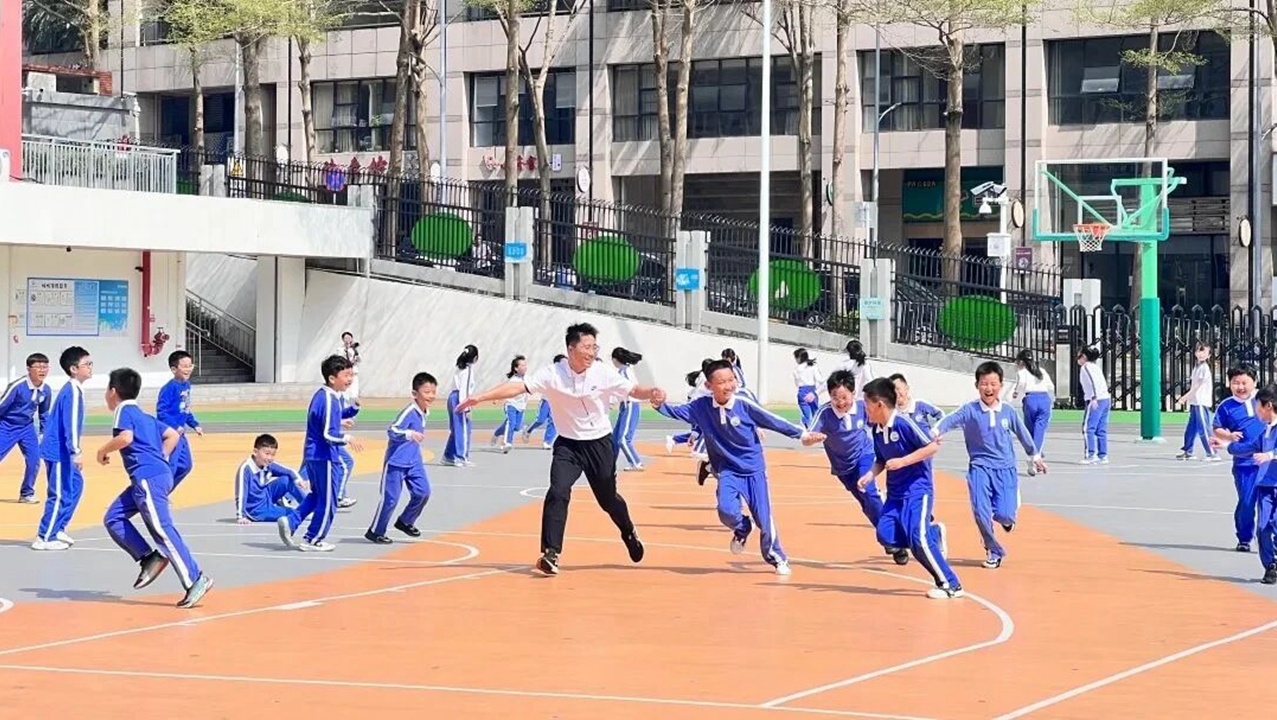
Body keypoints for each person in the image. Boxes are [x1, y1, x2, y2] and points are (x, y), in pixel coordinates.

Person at [458, 323, 657, 576]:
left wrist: (652, 392)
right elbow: (518, 386)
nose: (592, 352)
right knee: (558, 491)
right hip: (568, 446)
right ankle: (550, 553)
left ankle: (628, 531)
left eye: (594, 347)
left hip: (599, 444)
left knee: (608, 500)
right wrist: (480, 397)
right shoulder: (552, 373)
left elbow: (633, 390)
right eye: (587, 347)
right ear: (571, 349)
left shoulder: (603, 372)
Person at [655, 359, 824, 575]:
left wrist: (803, 435)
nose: (729, 385)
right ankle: (743, 527)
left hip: (753, 470)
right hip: (727, 469)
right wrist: (659, 404)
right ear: (708, 386)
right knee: (726, 511)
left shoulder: (744, 403)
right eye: (722, 382)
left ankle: (777, 558)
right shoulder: (701, 407)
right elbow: (676, 411)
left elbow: (773, 420)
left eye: (731, 379)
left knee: (764, 519)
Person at [98, 367, 213, 608]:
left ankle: (195, 579)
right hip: (153, 477)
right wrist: (161, 458)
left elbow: (126, 438)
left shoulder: (124, 411)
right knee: (113, 517)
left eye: (107, 390)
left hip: (148, 479)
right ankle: (149, 558)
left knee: (162, 529)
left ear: (113, 391)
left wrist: (103, 451)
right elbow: (172, 435)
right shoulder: (145, 417)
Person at [933, 361, 1047, 569]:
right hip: (979, 467)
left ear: (1000, 385)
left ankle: (1007, 516)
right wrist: (934, 432)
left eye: (993, 384)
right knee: (980, 511)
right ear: (977, 385)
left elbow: (1023, 434)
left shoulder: (1008, 411)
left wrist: (1035, 456)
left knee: (1005, 514)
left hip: (1005, 469)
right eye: (984, 383)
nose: (989, 388)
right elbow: (949, 420)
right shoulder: (970, 410)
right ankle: (993, 549)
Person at [857, 377, 964, 599]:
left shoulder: (904, 423)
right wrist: (870, 475)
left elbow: (932, 446)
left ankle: (951, 584)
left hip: (917, 490)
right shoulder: (876, 430)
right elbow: (881, 459)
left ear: (879, 404)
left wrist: (903, 461)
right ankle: (933, 533)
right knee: (885, 534)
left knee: (918, 540)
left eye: (867, 404)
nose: (864, 409)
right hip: (895, 494)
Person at [808, 370, 901, 563]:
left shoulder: (861, 407)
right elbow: (807, 436)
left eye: (844, 397)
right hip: (842, 468)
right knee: (866, 503)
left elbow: (880, 420)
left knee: (868, 492)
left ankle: (892, 539)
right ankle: (889, 533)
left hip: (864, 456)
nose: (840, 402)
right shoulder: (825, 414)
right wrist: (812, 439)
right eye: (835, 397)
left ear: (853, 393)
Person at [277, 354, 363, 552]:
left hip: (314, 455)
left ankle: (291, 521)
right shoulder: (329, 398)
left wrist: (354, 408)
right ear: (332, 378)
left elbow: (334, 416)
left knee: (317, 495)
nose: (350, 379)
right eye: (346, 375)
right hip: (324, 456)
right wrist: (347, 438)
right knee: (329, 500)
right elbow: (328, 434)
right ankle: (313, 538)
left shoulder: (324, 395)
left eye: (351, 375)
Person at [1211, 385, 1277, 584]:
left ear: (1269, 406)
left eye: (1258, 406)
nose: (1256, 411)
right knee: (1263, 527)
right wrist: (1226, 445)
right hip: (1266, 486)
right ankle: (1271, 566)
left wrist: (1270, 455)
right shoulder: (1265, 431)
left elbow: (1269, 452)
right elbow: (1249, 447)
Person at [33, 346, 92, 551]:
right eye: (87, 364)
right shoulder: (72, 391)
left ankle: (58, 527)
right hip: (58, 452)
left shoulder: (75, 390)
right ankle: (45, 536)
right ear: (74, 369)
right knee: (58, 493)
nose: (90, 367)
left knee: (75, 485)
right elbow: (71, 424)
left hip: (62, 451)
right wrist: (76, 451)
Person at [366, 372, 437, 543]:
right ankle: (375, 531)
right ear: (415, 394)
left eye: (434, 392)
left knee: (423, 492)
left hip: (414, 461)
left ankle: (405, 521)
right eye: (427, 392)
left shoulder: (424, 411)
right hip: (396, 462)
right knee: (390, 499)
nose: (431, 396)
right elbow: (392, 430)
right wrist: (409, 433)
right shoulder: (409, 411)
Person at [1213, 366, 1265, 552]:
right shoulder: (1226, 406)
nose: (1240, 387)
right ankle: (1244, 538)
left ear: (1254, 382)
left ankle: (1269, 540)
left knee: (1269, 503)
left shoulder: (1265, 400)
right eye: (1236, 383)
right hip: (1245, 463)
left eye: (1244, 382)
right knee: (1247, 502)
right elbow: (1217, 428)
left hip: (1269, 462)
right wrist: (1228, 436)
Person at [0, 353, 51, 504]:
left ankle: (27, 493)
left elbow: (44, 412)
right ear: (29, 369)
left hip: (27, 428)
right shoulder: (17, 386)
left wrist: (44, 433)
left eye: (45, 367)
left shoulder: (46, 390)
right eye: (38, 367)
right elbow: (2, 405)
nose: (42, 370)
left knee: (34, 459)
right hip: (7, 426)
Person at [235, 434, 309, 525]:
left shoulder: (267, 464)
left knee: (286, 480)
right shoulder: (246, 469)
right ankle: (303, 511)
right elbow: (241, 494)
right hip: (258, 510)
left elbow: (289, 471)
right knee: (292, 512)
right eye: (267, 454)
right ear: (255, 452)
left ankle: (308, 506)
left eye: (273, 454)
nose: (270, 458)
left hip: (266, 496)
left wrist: (299, 480)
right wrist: (241, 516)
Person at [156, 350, 202, 486]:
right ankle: (159, 491)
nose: (188, 369)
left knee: (186, 465)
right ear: (174, 369)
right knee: (170, 466)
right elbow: (161, 412)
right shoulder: (169, 388)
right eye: (184, 366)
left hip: (180, 434)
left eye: (190, 366)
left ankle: (166, 491)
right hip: (170, 434)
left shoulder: (187, 385)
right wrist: (175, 426)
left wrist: (194, 424)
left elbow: (185, 408)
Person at [1009, 349, 1054, 475]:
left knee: (1030, 430)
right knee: (1040, 430)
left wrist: (1016, 393)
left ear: (1021, 362)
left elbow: (1021, 384)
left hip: (1030, 399)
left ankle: (1034, 457)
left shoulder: (1022, 372)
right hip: (1044, 399)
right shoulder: (1042, 371)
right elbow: (1051, 386)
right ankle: (1037, 454)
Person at [1176, 342, 1220, 462]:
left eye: (1204, 352)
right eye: (1199, 351)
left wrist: (1184, 397)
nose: (1201, 354)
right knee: (1191, 428)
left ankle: (1212, 453)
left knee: (1203, 428)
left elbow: (1197, 386)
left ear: (1209, 355)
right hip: (1195, 402)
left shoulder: (1204, 368)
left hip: (1201, 402)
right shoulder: (1197, 367)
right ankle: (1188, 451)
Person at [442, 345, 479, 467]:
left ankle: (448, 456)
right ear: (475, 358)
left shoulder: (459, 367)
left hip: (453, 397)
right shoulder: (467, 371)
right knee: (463, 429)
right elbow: (464, 389)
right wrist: (466, 407)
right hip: (460, 399)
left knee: (456, 429)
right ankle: (461, 457)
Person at [611, 347, 645, 471]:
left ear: (615, 359)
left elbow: (630, 389)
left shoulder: (624, 372)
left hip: (630, 405)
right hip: (625, 405)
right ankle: (609, 464)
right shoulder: (624, 370)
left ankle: (636, 462)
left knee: (623, 439)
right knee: (615, 438)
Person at [522, 354, 563, 449]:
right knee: (540, 419)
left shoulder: (567, 374)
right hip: (546, 400)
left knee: (553, 421)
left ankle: (547, 442)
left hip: (557, 402)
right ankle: (528, 430)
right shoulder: (550, 373)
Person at [1078, 347, 1111, 464]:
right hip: (1105, 398)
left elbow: (1093, 382)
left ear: (1084, 356)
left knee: (1088, 428)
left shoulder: (1086, 367)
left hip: (1095, 399)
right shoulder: (1096, 367)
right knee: (1101, 429)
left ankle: (1091, 454)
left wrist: (1094, 397)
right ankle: (1103, 455)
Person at [492, 356, 528, 453]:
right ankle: (507, 443)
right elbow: (503, 390)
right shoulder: (513, 380)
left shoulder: (527, 378)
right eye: (522, 365)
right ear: (516, 368)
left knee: (516, 427)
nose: (525, 367)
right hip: (511, 404)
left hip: (521, 406)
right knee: (511, 423)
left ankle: (497, 433)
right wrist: (497, 398)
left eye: (525, 365)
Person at [792, 349, 822, 427]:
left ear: (799, 358)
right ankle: (817, 428)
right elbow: (820, 379)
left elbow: (797, 384)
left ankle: (807, 426)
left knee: (806, 415)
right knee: (816, 413)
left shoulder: (796, 369)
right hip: (812, 391)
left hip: (802, 391)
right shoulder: (813, 366)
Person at [339, 331, 362, 401]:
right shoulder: (340, 349)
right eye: (346, 338)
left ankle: (354, 404)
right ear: (343, 339)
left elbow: (360, 360)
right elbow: (340, 359)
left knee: (354, 391)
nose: (348, 340)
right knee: (346, 391)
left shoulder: (354, 349)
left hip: (354, 372)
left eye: (349, 338)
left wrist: (355, 351)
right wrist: (346, 350)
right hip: (345, 372)